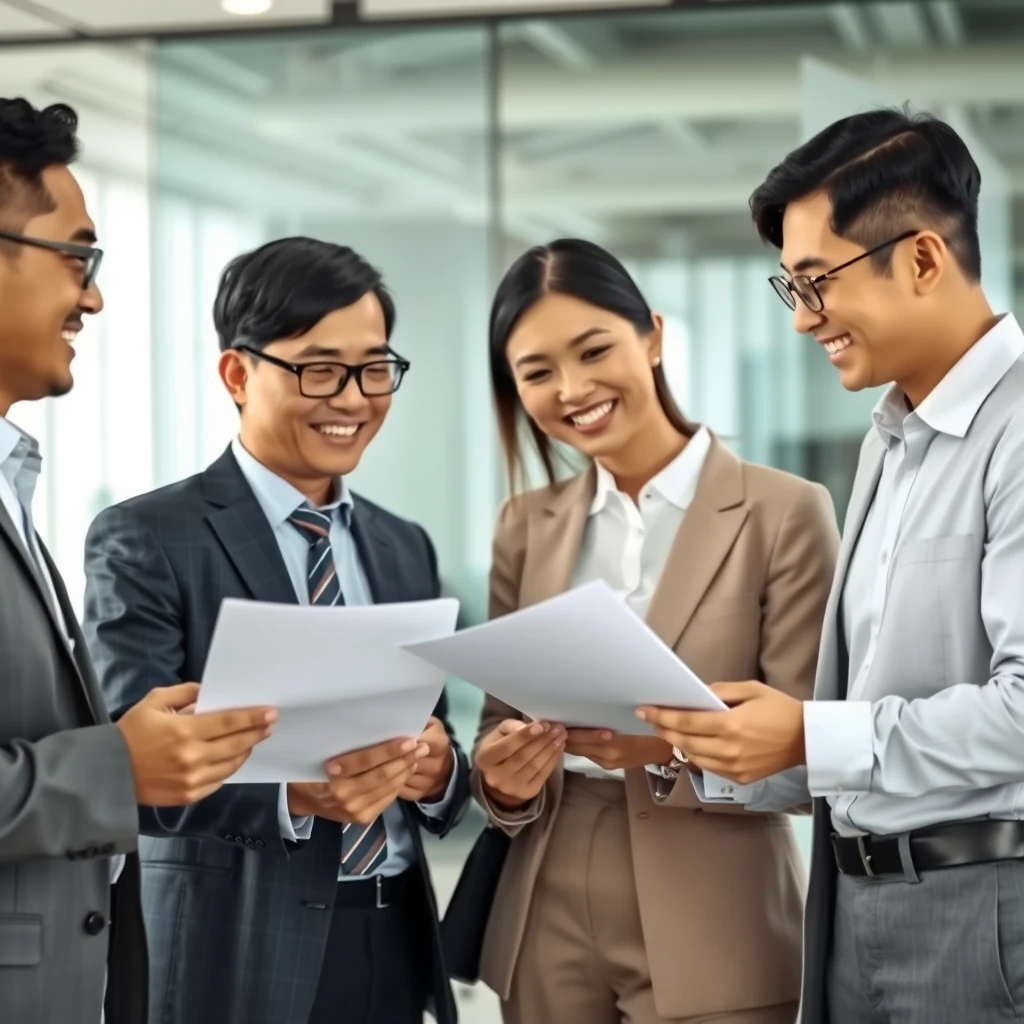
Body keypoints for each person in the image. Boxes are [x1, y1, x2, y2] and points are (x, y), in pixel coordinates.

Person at [640, 108, 1024, 1024]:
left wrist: (810, 735)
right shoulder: (890, 438)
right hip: (854, 911)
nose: (806, 318)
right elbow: (864, 718)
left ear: (924, 260)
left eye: (817, 282)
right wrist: (700, 743)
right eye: (790, 287)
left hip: (984, 915)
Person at [82, 236, 470, 1024]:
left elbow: (433, 738)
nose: (354, 399)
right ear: (237, 372)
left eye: (374, 369)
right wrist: (296, 795)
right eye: (320, 369)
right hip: (236, 953)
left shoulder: (403, 545)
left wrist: (435, 772)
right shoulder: (148, 537)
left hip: (391, 940)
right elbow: (134, 768)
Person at [468, 238, 839, 1024]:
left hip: (718, 914)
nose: (571, 388)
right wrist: (503, 776)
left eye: (594, 349)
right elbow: (497, 735)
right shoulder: (523, 527)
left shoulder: (784, 513)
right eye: (536, 372)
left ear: (654, 337)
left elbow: (814, 753)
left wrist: (669, 749)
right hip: (546, 911)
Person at [0, 98, 276, 1024]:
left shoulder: (15, 481)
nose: (95, 295)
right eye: (77, 256)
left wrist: (163, 756)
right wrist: (117, 766)